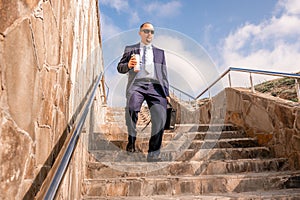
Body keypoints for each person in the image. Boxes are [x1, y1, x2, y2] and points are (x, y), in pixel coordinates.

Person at [117, 22, 170, 162]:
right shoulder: (130, 49)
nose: (149, 34)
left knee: (160, 117)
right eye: (146, 31)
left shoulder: (160, 53)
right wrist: (128, 65)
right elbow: (120, 68)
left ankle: (153, 154)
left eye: (152, 32)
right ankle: (131, 140)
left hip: (156, 87)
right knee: (132, 108)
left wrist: (167, 93)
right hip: (137, 85)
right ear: (140, 32)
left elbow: (164, 74)